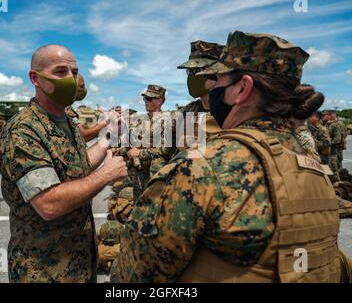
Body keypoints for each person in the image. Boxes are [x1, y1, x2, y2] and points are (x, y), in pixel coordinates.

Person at [112, 31, 345, 283]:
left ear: (242, 89)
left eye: (218, 78)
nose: (210, 84)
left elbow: (134, 277)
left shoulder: (201, 168)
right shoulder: (314, 166)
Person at [0, 44, 128, 283]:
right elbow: (49, 204)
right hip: (44, 271)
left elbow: (78, 165)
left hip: (78, 263)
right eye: (60, 72)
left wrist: (108, 137)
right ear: (35, 78)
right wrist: (105, 175)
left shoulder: (63, 120)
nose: (71, 79)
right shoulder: (24, 130)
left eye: (74, 72)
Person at [127, 85, 171, 198]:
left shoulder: (168, 121)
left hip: (156, 174)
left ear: (160, 101)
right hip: (139, 173)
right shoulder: (141, 120)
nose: (145, 102)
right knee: (138, 205)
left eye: (149, 99)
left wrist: (140, 153)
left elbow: (165, 150)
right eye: (145, 99)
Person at [65, 73, 109, 142]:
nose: (84, 90)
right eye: (82, 86)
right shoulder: (65, 108)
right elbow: (82, 136)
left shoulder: (67, 107)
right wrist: (106, 123)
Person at [323, 111, 343, 181]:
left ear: (331, 115)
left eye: (326, 115)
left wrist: (327, 143)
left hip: (334, 149)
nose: (324, 116)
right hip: (328, 149)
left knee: (335, 167)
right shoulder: (327, 124)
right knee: (331, 167)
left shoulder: (335, 124)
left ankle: (338, 183)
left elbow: (337, 139)